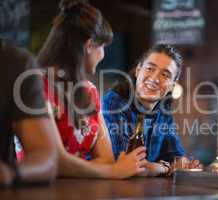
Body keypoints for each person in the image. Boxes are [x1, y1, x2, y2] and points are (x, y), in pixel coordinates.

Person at [36, 0, 146, 179]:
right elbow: (55, 161)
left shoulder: (90, 92)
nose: (103, 54)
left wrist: (105, 168)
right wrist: (113, 171)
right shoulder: (36, 86)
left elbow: (107, 158)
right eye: (102, 46)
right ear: (89, 45)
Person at [102, 44, 202, 177]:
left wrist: (185, 164)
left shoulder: (163, 110)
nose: (154, 79)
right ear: (138, 70)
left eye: (165, 75)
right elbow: (127, 164)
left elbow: (176, 156)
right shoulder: (113, 104)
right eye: (150, 68)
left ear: (172, 85)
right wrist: (166, 168)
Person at [0, 39, 58, 187]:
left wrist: (9, 172)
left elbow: (48, 156)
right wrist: (112, 170)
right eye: (101, 46)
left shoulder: (14, 63)